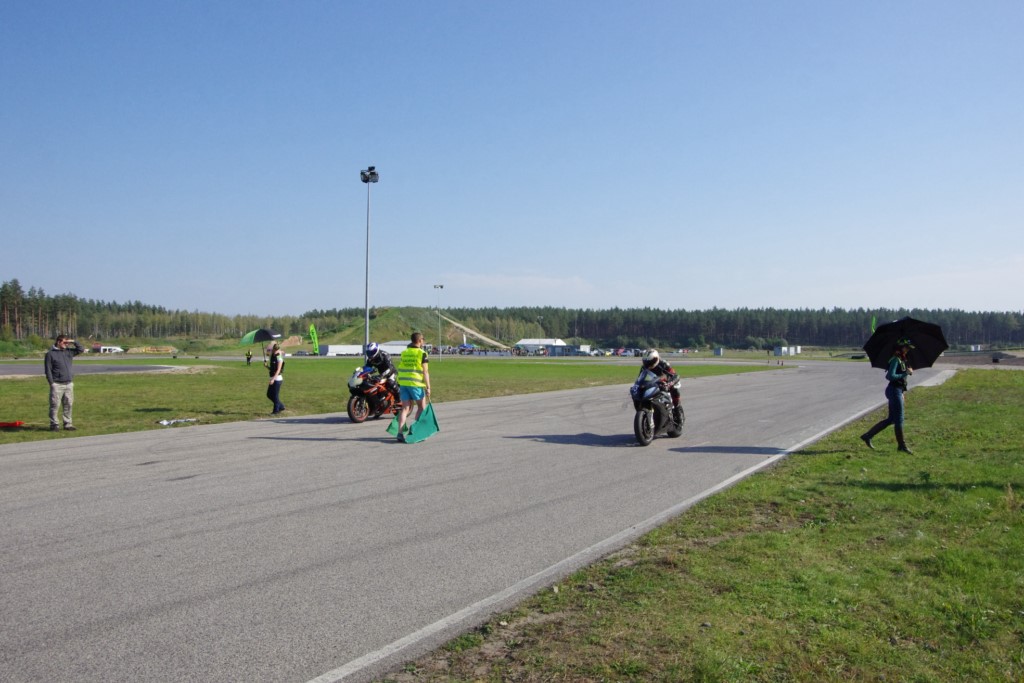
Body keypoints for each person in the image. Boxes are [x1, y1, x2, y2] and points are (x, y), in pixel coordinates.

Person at [860, 338, 914, 453]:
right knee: (899, 419)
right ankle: (902, 446)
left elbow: (902, 380)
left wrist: (902, 391)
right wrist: (905, 373)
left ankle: (867, 436)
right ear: (900, 347)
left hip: (897, 391)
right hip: (894, 391)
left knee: (892, 419)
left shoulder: (902, 359)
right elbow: (890, 376)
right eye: (906, 348)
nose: (908, 350)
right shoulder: (895, 359)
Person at [395, 332, 431, 442]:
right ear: (419, 341)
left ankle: (400, 433)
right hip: (415, 384)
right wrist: (428, 387)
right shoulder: (422, 353)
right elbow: (425, 372)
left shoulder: (405, 352)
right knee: (421, 407)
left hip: (403, 383)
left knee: (405, 408)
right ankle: (415, 430)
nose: (423, 341)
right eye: (423, 339)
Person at [44, 334, 84, 432]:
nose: (66, 344)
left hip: (68, 383)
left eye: (67, 343)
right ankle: (54, 424)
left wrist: (73, 341)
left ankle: (68, 424)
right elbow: (48, 370)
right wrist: (51, 383)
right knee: (55, 405)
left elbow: (81, 349)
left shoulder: (68, 352)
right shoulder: (50, 354)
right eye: (64, 342)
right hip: (57, 384)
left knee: (68, 404)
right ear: (58, 342)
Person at [266, 342, 286, 414]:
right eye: (274, 350)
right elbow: (272, 369)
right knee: (269, 394)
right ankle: (281, 406)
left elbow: (278, 370)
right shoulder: (273, 356)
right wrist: (267, 366)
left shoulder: (279, 357)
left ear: (278, 350)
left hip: (277, 379)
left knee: (275, 395)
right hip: (273, 378)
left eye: (276, 350)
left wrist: (273, 379)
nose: (274, 351)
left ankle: (276, 411)